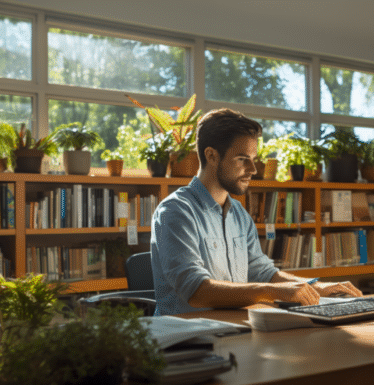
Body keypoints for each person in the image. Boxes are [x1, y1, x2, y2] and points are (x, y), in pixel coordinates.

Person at [151, 108, 362, 315]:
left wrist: (316, 287)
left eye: (254, 159)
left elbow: (263, 273)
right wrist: (271, 292)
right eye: (243, 159)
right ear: (211, 156)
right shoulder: (176, 211)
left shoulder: (239, 215)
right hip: (188, 340)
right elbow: (196, 291)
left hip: (234, 330)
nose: (252, 170)